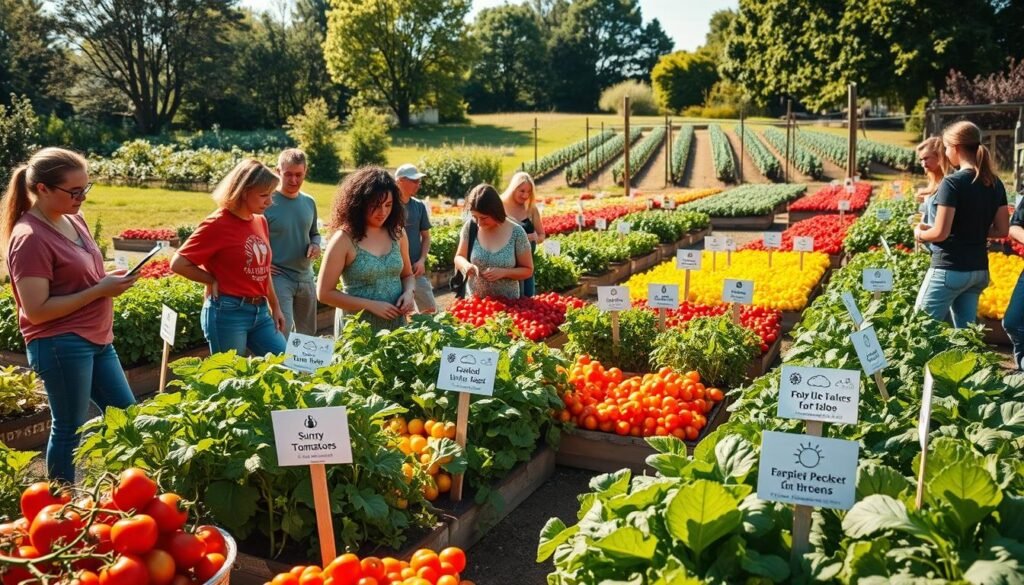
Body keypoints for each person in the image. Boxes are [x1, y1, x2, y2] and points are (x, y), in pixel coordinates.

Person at [1, 147, 138, 481]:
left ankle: (132, 490)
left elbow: (79, 272)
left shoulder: (73, 219)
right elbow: (36, 311)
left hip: (97, 338)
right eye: (74, 191)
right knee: (69, 428)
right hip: (61, 345)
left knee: (128, 417)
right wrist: (99, 290)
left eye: (86, 189)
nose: (82, 198)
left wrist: (107, 278)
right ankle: (61, 506)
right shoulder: (29, 238)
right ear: (43, 189)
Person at [171, 159, 288, 355]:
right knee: (231, 378)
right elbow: (178, 263)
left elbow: (263, 269)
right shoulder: (217, 223)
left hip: (260, 312)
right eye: (263, 196)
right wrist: (211, 279)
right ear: (243, 192)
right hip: (227, 313)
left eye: (271, 195)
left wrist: (275, 306)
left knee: (287, 367)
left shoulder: (260, 221)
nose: (269, 202)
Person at [914, 121, 1008, 328]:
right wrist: (974, 231)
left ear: (955, 148)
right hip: (978, 270)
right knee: (965, 336)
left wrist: (919, 234)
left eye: (946, 148)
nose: (946, 153)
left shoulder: (952, 182)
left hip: (950, 267)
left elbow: (940, 233)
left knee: (918, 328)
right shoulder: (994, 182)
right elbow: (1002, 230)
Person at [317, 167, 416, 335]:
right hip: (358, 332)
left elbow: (407, 275)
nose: (383, 212)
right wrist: (370, 305)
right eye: (375, 206)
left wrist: (409, 293)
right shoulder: (343, 239)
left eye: (388, 205)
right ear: (359, 204)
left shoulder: (398, 234)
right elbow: (324, 293)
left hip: (395, 327)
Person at [265, 149, 323, 335]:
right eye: (288, 174)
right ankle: (280, 365)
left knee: (308, 334)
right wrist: (263, 265)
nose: (294, 180)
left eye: (299, 175)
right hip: (279, 276)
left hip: (305, 276)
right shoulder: (266, 202)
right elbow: (250, 240)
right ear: (277, 171)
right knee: (283, 330)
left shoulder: (309, 202)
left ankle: (301, 366)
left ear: (305, 171)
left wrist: (315, 244)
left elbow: (315, 233)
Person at [454, 184, 534, 299]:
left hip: (508, 305)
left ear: (495, 211)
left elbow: (528, 270)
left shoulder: (517, 232)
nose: (479, 223)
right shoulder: (470, 227)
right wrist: (465, 266)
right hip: (475, 307)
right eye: (475, 217)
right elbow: (458, 257)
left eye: (484, 218)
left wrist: (504, 272)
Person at [395, 163, 436, 313]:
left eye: (419, 181)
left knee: (430, 310)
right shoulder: (388, 206)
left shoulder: (419, 206)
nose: (418, 184)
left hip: (415, 270)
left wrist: (422, 260)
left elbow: (426, 237)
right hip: (393, 272)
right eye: (414, 181)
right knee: (401, 314)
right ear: (399, 181)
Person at [500, 171, 545, 297]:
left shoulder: (531, 209)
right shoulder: (499, 206)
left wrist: (536, 238)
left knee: (527, 301)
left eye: (529, 192)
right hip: (506, 267)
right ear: (513, 188)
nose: (525, 195)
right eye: (522, 191)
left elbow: (542, 235)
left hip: (526, 268)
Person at [915, 137, 951, 227]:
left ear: (940, 157)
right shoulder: (934, 180)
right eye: (921, 160)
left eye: (926, 158)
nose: (923, 164)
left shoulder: (950, 182)